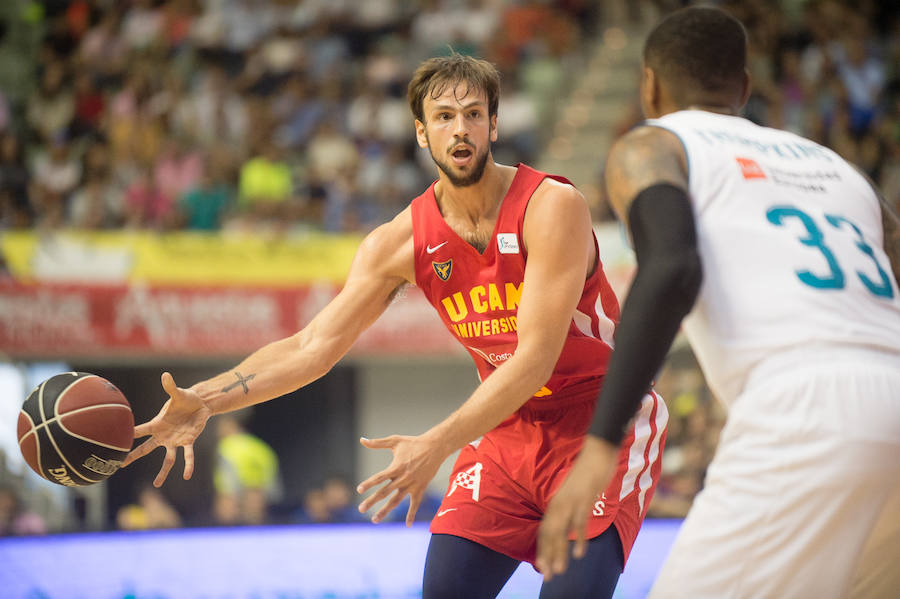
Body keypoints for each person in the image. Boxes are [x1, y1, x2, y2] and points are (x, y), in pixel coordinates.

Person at [123, 53, 667, 598]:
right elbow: (312, 346)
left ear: (494, 126)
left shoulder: (551, 206)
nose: (461, 129)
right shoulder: (399, 241)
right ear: (421, 132)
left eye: (475, 115)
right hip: (506, 433)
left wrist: (435, 443)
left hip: (600, 423)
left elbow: (534, 360)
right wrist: (207, 398)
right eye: (444, 117)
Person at [536, 7, 900, 599]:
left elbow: (674, 267)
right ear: (747, 87)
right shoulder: (840, 168)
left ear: (649, 84)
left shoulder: (653, 145)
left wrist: (601, 443)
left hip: (805, 407)